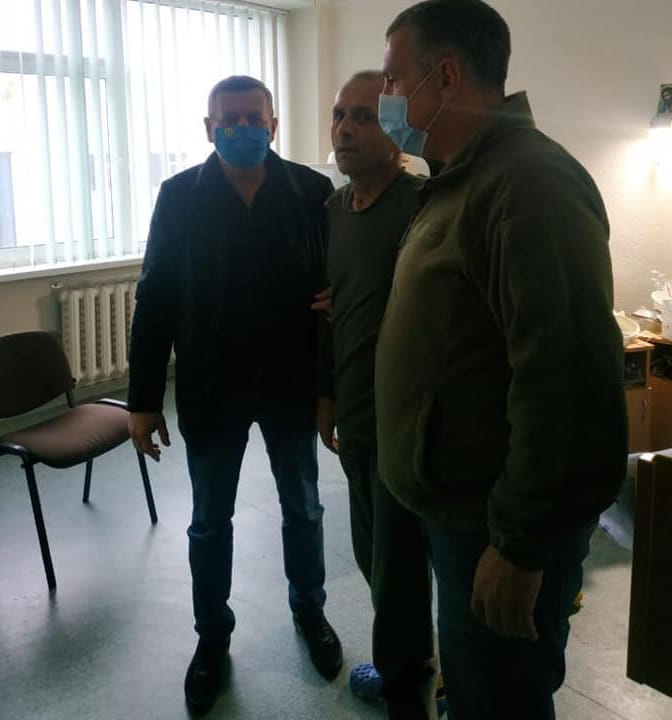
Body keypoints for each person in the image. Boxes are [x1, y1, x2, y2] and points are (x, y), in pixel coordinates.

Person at [374, 2, 628, 719]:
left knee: (501, 701)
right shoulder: (461, 176)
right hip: (454, 507)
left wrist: (519, 545)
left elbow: (568, 384)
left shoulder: (530, 186)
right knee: (476, 688)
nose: (385, 96)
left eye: (393, 79)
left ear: (446, 77)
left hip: (492, 524)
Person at [127, 75, 342, 714]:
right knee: (209, 520)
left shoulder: (312, 193)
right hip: (211, 387)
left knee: (303, 507)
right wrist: (142, 400)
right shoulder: (179, 196)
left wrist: (328, 389)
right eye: (230, 118)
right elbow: (155, 296)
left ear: (274, 126)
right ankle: (211, 637)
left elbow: (332, 297)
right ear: (209, 127)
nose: (242, 128)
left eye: (254, 118)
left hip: (290, 384)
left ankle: (310, 611)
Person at [314, 71, 437, 719]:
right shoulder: (334, 211)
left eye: (364, 116)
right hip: (356, 413)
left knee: (397, 564)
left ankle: (404, 685)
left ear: (394, 130)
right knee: (371, 553)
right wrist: (328, 397)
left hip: (407, 420)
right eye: (339, 115)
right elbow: (329, 310)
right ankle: (408, 662)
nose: (345, 129)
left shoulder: (422, 205)